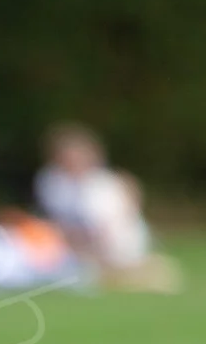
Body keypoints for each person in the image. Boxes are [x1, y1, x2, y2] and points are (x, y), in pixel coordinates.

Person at [34, 122, 180, 292]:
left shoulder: (102, 185)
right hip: (73, 243)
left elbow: (105, 226)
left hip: (105, 245)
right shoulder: (52, 181)